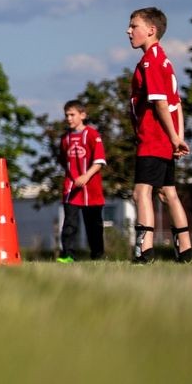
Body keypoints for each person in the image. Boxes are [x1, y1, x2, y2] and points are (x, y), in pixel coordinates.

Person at [126, 7, 192, 263]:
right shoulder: (163, 58)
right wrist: (177, 136)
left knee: (141, 193)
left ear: (151, 30)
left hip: (153, 139)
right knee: (167, 193)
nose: (128, 31)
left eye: (134, 26)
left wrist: (175, 138)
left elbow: (162, 103)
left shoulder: (150, 61)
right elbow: (178, 104)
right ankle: (186, 253)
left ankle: (144, 252)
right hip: (165, 139)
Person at [56, 100, 107, 262]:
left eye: (72, 115)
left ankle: (98, 256)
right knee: (70, 223)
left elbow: (99, 161)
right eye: (67, 115)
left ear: (82, 115)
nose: (69, 118)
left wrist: (86, 176)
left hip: (91, 189)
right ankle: (68, 254)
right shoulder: (65, 139)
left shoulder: (93, 135)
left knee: (94, 226)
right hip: (71, 188)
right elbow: (64, 160)